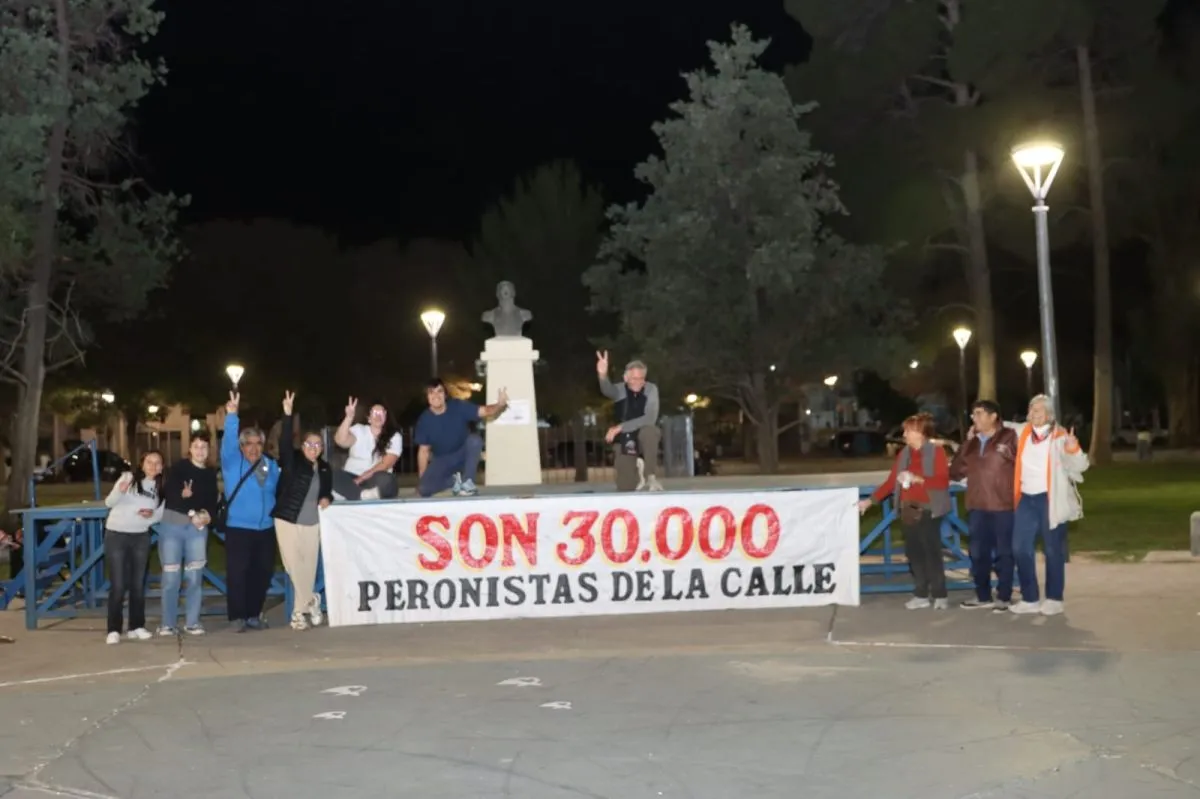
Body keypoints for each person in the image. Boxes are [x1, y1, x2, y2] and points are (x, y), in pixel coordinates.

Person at [859, 413, 952, 610]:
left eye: (908, 430)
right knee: (914, 552)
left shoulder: (936, 452)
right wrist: (870, 501)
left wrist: (918, 479)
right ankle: (920, 594)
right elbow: (892, 482)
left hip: (929, 509)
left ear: (921, 433)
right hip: (908, 508)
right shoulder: (905, 454)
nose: (904, 434)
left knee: (931, 552)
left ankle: (940, 594)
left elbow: (942, 481)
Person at [1007, 394, 1089, 616]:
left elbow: (1080, 467)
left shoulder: (1060, 436)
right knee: (1020, 547)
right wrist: (976, 430)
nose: (1035, 414)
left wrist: (1073, 448)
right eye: (1032, 410)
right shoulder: (1022, 431)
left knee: (1053, 549)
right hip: (1025, 498)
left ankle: (1054, 598)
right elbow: (998, 426)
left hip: (1050, 499)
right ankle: (1030, 598)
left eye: (1040, 410)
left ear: (1050, 415)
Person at [220, 391, 282, 632]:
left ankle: (253, 614)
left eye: (258, 443)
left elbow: (278, 490)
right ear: (241, 446)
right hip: (239, 528)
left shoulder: (271, 465)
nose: (254, 448)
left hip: (266, 528)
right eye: (248, 444)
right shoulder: (232, 463)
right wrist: (232, 415)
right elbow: (227, 443)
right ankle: (237, 617)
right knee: (238, 574)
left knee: (262, 573)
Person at [949, 400, 1018, 611]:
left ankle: (1004, 596)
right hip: (977, 505)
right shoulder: (970, 443)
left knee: (1004, 553)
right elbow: (955, 472)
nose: (974, 418)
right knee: (978, 553)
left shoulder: (1009, 436)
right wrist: (964, 444)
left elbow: (1023, 463)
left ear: (993, 416)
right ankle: (982, 595)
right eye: (973, 415)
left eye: (978, 414)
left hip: (1003, 504)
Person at [273, 390, 333, 630]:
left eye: (318, 444)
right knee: (292, 564)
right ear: (303, 445)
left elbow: (326, 491)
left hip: (313, 522)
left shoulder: (326, 468)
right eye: (309, 443)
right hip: (288, 518)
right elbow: (284, 443)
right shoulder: (293, 460)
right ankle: (311, 600)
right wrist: (287, 415)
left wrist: (327, 497)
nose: (313, 447)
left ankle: (299, 613)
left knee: (307, 568)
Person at [157, 434, 219, 636]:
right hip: (173, 526)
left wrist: (206, 516)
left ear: (209, 450)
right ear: (190, 449)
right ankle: (168, 623)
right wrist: (185, 500)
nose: (200, 450)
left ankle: (192, 621)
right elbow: (168, 493)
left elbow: (211, 503)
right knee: (171, 577)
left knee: (194, 577)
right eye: (196, 446)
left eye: (204, 447)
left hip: (197, 530)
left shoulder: (210, 473)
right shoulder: (178, 468)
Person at [103, 451, 166, 644]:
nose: (153, 466)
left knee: (138, 584)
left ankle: (136, 626)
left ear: (162, 467)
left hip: (140, 536)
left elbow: (160, 514)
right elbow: (109, 502)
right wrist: (119, 491)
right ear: (141, 464)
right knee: (119, 584)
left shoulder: (161, 487)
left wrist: (151, 515)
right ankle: (114, 629)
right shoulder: (128, 478)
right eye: (149, 461)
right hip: (117, 534)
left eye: (157, 463)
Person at [415, 378, 509, 497]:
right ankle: (455, 481)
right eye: (431, 392)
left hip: (462, 453)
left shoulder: (457, 406)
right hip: (442, 460)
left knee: (474, 440)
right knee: (424, 489)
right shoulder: (424, 420)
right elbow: (423, 451)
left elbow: (485, 411)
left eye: (440, 391)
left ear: (445, 395)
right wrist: (423, 479)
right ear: (427, 397)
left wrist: (499, 405)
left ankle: (467, 483)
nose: (436, 395)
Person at [596, 351, 662, 492]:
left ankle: (650, 476)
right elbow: (608, 390)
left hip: (643, 434)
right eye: (633, 378)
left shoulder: (651, 389)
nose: (638, 382)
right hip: (625, 438)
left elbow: (650, 418)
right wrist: (602, 374)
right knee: (625, 487)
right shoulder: (620, 390)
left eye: (641, 378)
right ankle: (637, 472)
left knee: (651, 431)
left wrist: (620, 427)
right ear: (625, 378)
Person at [332, 398, 402, 500]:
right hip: (352, 476)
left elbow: (386, 464)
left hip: (373, 480)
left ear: (386, 416)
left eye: (381, 412)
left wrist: (360, 479)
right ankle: (361, 495)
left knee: (387, 480)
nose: (378, 415)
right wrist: (348, 417)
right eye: (374, 412)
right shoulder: (359, 430)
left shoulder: (394, 436)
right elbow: (340, 441)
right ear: (368, 417)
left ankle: (349, 493)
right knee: (333, 475)